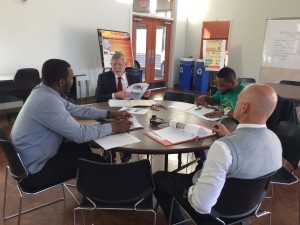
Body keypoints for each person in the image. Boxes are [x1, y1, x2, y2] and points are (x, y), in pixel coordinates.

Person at [153, 83, 282, 224]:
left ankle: (178, 221)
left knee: (157, 178)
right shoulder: (275, 141)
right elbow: (250, 154)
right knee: (201, 166)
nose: (236, 103)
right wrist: (228, 136)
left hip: (216, 214)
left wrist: (188, 192)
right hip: (248, 208)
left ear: (244, 107)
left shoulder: (223, 148)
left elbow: (201, 205)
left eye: (238, 100)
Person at [10, 59, 132, 190]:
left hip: (32, 157)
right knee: (98, 162)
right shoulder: (48, 101)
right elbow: (79, 134)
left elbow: (77, 109)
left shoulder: (43, 91)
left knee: (83, 148)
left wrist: (110, 114)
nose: (73, 81)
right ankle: (102, 197)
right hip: (35, 171)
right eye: (71, 78)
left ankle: (91, 189)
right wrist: (115, 127)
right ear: (61, 82)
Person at [95, 52, 150, 162]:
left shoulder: (134, 78)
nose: (117, 67)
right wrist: (115, 95)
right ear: (111, 65)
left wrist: (144, 96)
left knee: (129, 125)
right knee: (111, 126)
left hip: (129, 110)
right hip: (111, 111)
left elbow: (138, 99)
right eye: (114, 64)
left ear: (126, 64)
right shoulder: (103, 77)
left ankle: (126, 153)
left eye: (120, 64)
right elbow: (98, 98)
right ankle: (110, 154)